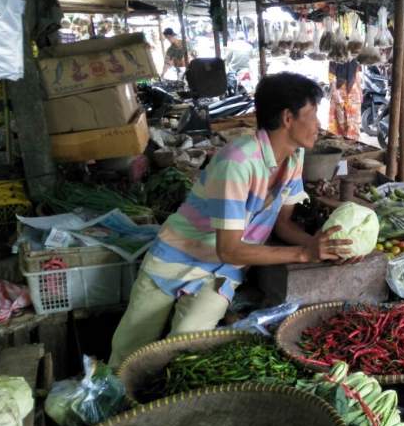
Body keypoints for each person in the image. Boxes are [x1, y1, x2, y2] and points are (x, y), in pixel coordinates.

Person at [109, 72, 353, 368]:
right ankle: (113, 395)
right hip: (175, 258)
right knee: (129, 350)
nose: (319, 125)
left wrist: (323, 246)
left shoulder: (294, 157)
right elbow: (230, 249)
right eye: (313, 114)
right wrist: (304, 253)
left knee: (184, 350)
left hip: (222, 273)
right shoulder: (237, 161)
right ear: (288, 118)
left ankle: (161, 395)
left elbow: (283, 224)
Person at [328, 58, 362, 140]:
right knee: (338, 122)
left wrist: (360, 91)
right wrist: (335, 92)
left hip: (353, 91)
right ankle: (339, 144)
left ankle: (353, 143)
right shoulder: (336, 56)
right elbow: (331, 76)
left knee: (353, 123)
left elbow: (357, 75)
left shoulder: (355, 57)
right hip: (339, 90)